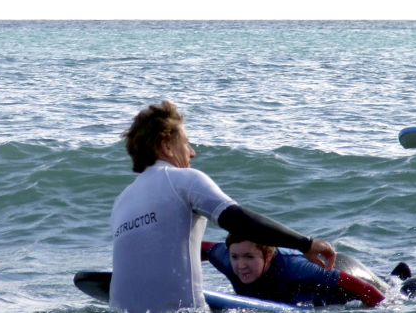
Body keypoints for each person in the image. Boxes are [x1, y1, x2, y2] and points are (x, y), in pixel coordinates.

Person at [109, 100, 336, 313]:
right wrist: (305, 244)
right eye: (186, 143)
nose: (192, 152)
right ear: (166, 146)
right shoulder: (183, 179)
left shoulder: (120, 201)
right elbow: (238, 221)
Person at [204, 234, 384, 307]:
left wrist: (385, 307)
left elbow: (360, 287)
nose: (240, 265)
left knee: (397, 288)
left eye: (249, 257)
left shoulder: (293, 268)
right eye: (235, 257)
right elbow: (199, 248)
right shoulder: (226, 258)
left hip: (348, 274)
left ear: (268, 257)